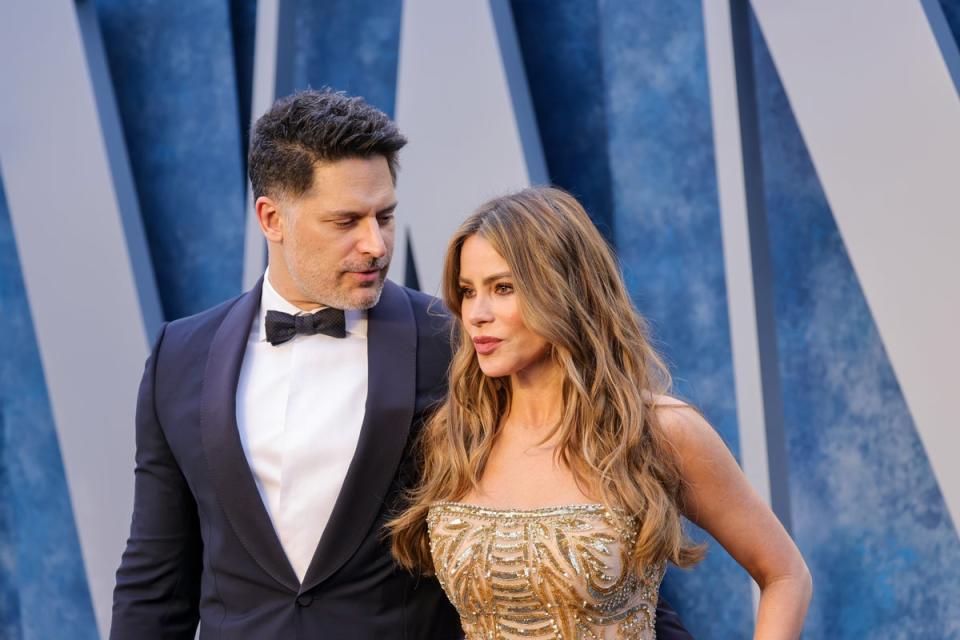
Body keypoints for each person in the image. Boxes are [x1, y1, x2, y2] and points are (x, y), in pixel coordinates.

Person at [109, 89, 692, 638]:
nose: (376, 245)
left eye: (384, 216)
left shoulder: (458, 345)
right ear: (271, 218)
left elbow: (596, 528)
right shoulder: (178, 358)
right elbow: (155, 581)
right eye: (346, 222)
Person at [389, 187, 813, 639]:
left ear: (562, 289)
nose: (477, 314)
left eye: (503, 288)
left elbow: (786, 575)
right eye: (467, 292)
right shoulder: (456, 433)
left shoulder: (658, 431)